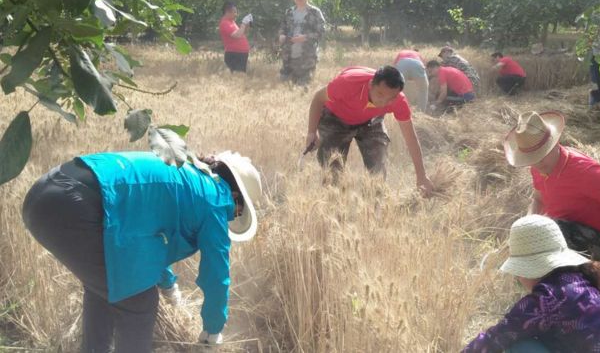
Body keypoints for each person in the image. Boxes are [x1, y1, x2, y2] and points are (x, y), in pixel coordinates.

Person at [22, 150, 261, 352]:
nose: (233, 215)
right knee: (139, 301)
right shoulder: (217, 200)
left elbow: (149, 237)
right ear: (235, 196)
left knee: (105, 290)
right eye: (238, 212)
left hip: (45, 192)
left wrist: (168, 284)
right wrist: (213, 330)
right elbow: (217, 276)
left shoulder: (189, 176)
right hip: (74, 204)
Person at [503, 111, 600, 297]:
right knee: (532, 242)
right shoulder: (538, 168)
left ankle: (580, 289)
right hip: (568, 228)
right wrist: (528, 226)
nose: (537, 164)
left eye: (541, 156)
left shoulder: (585, 172)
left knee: (551, 237)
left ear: (554, 143)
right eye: (532, 159)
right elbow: (538, 199)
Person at [463, 215, 600, 353]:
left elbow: (494, 339)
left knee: (521, 346)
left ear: (525, 270)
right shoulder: (584, 286)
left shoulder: (545, 301)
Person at [305, 65, 434, 195]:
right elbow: (318, 98)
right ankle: (333, 206)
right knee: (333, 172)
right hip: (336, 118)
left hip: (371, 121)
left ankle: (373, 206)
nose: (383, 102)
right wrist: (311, 132)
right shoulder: (347, 83)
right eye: (380, 94)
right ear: (371, 84)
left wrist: (421, 176)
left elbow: (410, 138)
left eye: (390, 98)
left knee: (377, 171)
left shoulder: (399, 101)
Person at [278, 0, 326, 85]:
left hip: (307, 58)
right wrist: (281, 35)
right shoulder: (289, 12)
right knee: (284, 86)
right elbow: (282, 27)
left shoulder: (315, 12)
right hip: (289, 56)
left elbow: (321, 32)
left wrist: (305, 37)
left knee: (303, 89)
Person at [219, 1, 252, 73]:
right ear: (227, 12)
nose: (236, 14)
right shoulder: (225, 23)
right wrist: (243, 23)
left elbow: (243, 34)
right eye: (234, 12)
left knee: (240, 77)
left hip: (240, 54)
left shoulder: (232, 22)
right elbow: (237, 35)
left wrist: (248, 24)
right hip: (234, 54)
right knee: (237, 77)